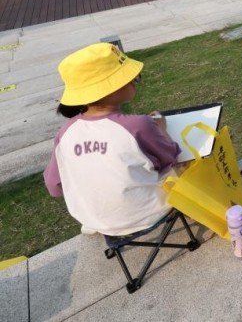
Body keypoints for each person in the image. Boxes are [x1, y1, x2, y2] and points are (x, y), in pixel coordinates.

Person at [43, 43, 180, 237]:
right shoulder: (138, 125)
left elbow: (54, 186)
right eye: (129, 77)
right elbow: (170, 157)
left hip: (93, 220)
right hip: (148, 214)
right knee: (189, 164)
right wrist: (162, 129)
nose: (134, 80)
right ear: (109, 88)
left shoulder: (65, 132)